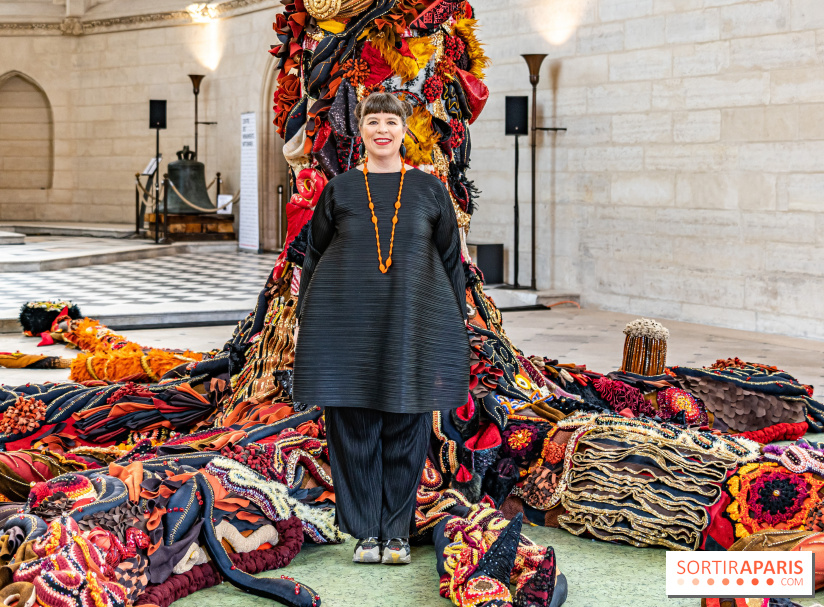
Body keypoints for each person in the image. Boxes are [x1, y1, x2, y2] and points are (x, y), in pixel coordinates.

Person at [292, 92, 470, 565]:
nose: (382, 129)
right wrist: (307, 321)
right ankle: (365, 532)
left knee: (406, 429)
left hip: (411, 329)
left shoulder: (430, 190)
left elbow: (451, 260)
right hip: (348, 328)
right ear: (361, 129)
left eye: (391, 121)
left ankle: (395, 532)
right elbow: (315, 256)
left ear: (404, 129)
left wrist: (456, 321)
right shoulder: (341, 189)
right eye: (373, 122)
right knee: (353, 428)